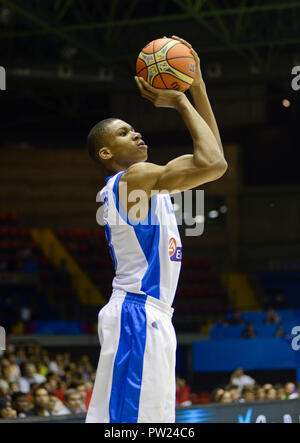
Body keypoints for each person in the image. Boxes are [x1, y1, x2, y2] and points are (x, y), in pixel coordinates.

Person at [85, 35, 227, 424]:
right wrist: (181, 100)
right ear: (106, 153)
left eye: (134, 129)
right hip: (136, 310)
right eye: (124, 132)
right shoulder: (133, 180)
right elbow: (215, 164)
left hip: (154, 315)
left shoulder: (151, 183)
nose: (136, 134)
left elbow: (213, 157)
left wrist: (196, 86)